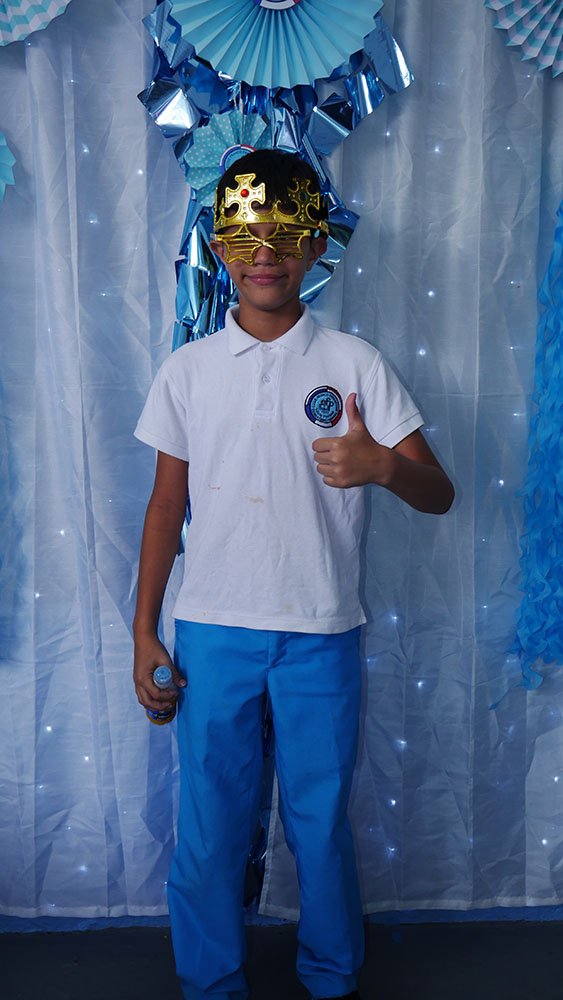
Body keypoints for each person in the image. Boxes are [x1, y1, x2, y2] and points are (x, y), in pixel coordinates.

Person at [132, 149, 454, 1000]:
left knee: (318, 822)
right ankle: (210, 983)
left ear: (316, 246)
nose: (264, 252)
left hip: (321, 633)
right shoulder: (187, 370)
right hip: (212, 631)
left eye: (285, 233)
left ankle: (332, 976)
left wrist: (382, 465)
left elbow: (438, 492)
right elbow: (164, 509)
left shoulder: (354, 364)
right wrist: (143, 632)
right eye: (244, 235)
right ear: (219, 247)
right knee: (211, 823)